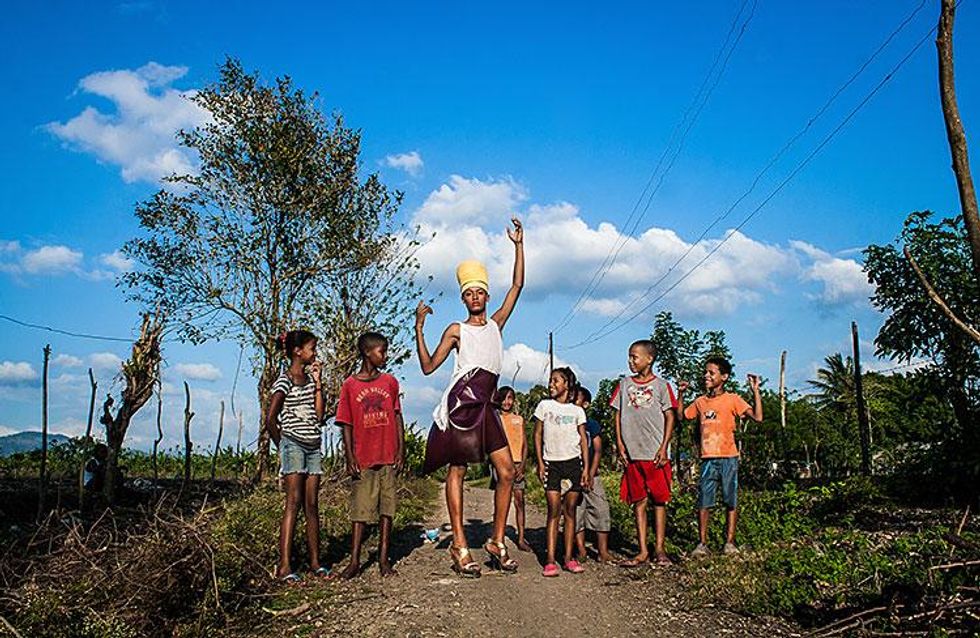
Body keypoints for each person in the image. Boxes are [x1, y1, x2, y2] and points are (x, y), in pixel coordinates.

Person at [416, 218, 524, 577]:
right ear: (463, 297)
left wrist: (518, 245)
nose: (475, 298)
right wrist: (419, 329)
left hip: (487, 405)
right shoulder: (456, 330)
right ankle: (460, 545)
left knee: (506, 471)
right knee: (458, 469)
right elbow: (430, 367)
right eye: (468, 293)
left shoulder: (496, 323)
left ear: (486, 296)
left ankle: (496, 541)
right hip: (462, 403)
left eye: (479, 292)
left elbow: (518, 285)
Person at [335, 331, 405, 579]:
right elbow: (345, 423)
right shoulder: (350, 385)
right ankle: (355, 561)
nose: (385, 356)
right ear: (367, 352)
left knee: (387, 509)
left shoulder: (389, 382)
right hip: (363, 457)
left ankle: (384, 560)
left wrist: (401, 449)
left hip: (387, 454)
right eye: (381, 351)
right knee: (360, 511)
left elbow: (397, 415)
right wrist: (350, 456)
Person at [677, 356, 762, 556]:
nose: (706, 375)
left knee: (729, 500)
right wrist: (680, 394)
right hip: (707, 458)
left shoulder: (733, 399)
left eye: (711, 373)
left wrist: (755, 391)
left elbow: (758, 417)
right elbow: (682, 416)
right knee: (704, 501)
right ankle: (702, 543)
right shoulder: (700, 402)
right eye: (705, 372)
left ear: (724, 377)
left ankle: (729, 543)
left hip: (729, 457)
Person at [266, 329, 327, 582]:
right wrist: (283, 445)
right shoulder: (284, 380)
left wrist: (319, 384)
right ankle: (284, 566)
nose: (315, 353)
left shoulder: (311, 380)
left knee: (312, 505)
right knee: (293, 502)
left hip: (313, 446)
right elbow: (270, 419)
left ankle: (315, 563)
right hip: (293, 446)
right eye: (312, 348)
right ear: (297, 351)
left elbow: (320, 416)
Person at [613, 340, 677, 567]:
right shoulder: (624, 384)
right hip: (632, 454)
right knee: (638, 501)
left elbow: (670, 416)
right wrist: (620, 443)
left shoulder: (662, 386)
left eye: (635, 357)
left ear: (649, 359)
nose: (631, 361)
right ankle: (642, 551)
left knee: (659, 502)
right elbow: (617, 415)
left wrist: (663, 446)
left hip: (655, 455)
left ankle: (659, 549)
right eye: (629, 357)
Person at [534, 366, 590, 577]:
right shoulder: (544, 406)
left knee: (570, 512)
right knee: (553, 512)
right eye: (550, 380)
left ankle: (568, 558)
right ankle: (550, 560)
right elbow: (537, 435)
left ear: (567, 384)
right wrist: (540, 462)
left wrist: (585, 468)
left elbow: (583, 439)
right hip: (553, 465)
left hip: (573, 464)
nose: (551, 384)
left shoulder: (577, 411)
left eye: (556, 380)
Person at [574, 387, 613, 563]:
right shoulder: (567, 424)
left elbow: (597, 450)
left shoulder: (592, 425)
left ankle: (602, 551)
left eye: (577, 401)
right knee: (576, 513)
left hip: (592, 476)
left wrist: (590, 473)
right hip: (572, 475)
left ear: (586, 404)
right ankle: (581, 549)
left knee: (601, 509)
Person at [491, 385, 532, 552]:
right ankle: (497, 537)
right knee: (502, 500)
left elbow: (524, 445)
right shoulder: (494, 419)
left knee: (519, 500)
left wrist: (522, 466)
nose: (507, 402)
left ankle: (521, 538)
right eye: (504, 398)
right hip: (500, 464)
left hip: (517, 463)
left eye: (510, 398)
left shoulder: (519, 419)